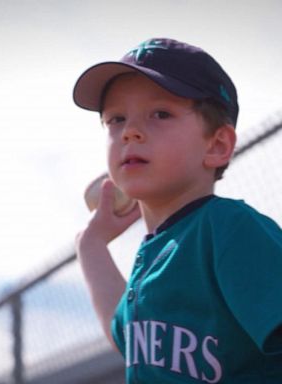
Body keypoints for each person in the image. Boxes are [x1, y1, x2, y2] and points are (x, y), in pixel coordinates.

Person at [73, 38, 282, 383]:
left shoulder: (228, 228)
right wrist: (90, 245)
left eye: (161, 113)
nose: (131, 132)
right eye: (116, 119)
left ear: (216, 145)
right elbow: (126, 336)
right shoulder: (153, 257)